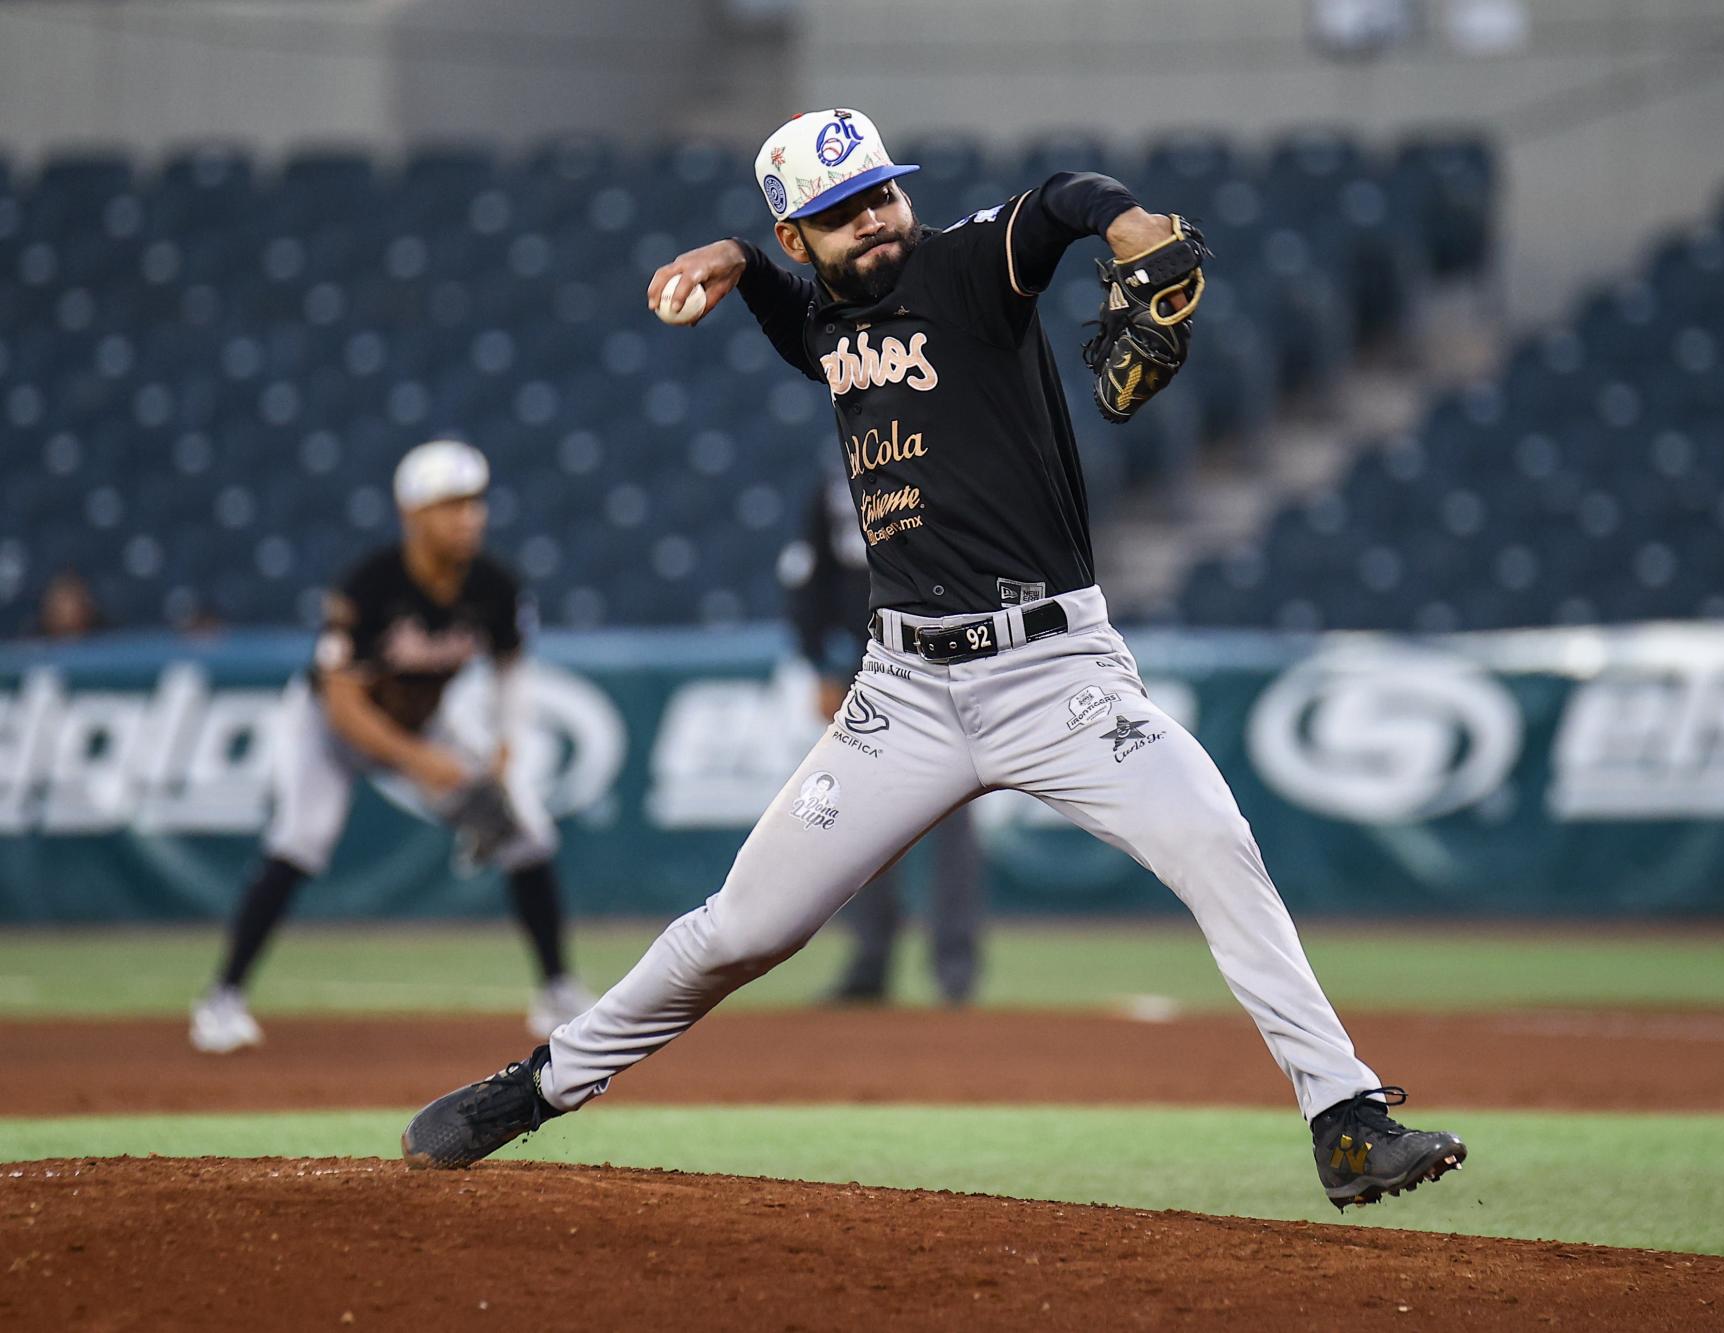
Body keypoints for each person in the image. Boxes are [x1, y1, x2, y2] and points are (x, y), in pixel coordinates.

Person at [404, 109, 1466, 1210]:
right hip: (901, 695)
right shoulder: (821, 314)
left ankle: (1343, 1119)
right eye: (836, 213)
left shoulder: (966, 268)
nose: (871, 220)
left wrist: (1127, 221)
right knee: (742, 929)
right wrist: (735, 262)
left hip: (1054, 674)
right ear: (795, 237)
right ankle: (539, 1086)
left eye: (878, 193)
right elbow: (800, 324)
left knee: (1212, 838)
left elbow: (1055, 199)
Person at [189, 440, 595, 1053]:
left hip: (424, 725)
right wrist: (423, 765)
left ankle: (558, 989)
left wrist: (506, 743)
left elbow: (511, 666)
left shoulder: (494, 584)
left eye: (474, 503)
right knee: (301, 839)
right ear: (413, 514)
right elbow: (343, 704)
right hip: (328, 729)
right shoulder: (371, 584)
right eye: (451, 505)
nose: (469, 517)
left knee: (527, 834)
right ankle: (221, 1000)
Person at [779, 473, 985, 1005]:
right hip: (865, 664)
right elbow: (812, 578)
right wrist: (819, 665)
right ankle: (871, 962)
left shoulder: (945, 457)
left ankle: (954, 967)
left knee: (953, 815)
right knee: (860, 815)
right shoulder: (835, 478)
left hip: (947, 659)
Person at [33, 569, 105, 639]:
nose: (62, 609)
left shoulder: (106, 636)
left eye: (67, 598)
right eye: (60, 599)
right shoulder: (33, 643)